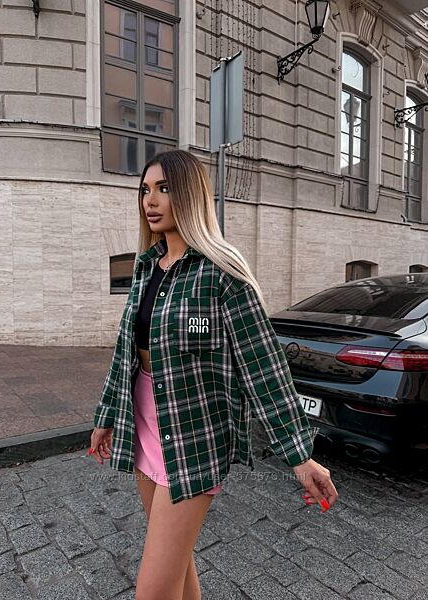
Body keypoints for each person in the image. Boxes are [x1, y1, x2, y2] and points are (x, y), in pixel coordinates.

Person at [88, 149, 338, 600]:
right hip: (142, 421)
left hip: (193, 436)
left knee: (153, 589)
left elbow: (263, 367)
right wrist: (107, 416)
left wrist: (299, 455)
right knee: (175, 564)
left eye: (164, 189)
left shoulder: (222, 275)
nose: (151, 200)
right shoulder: (145, 268)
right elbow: (125, 353)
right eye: (145, 190)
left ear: (190, 195)